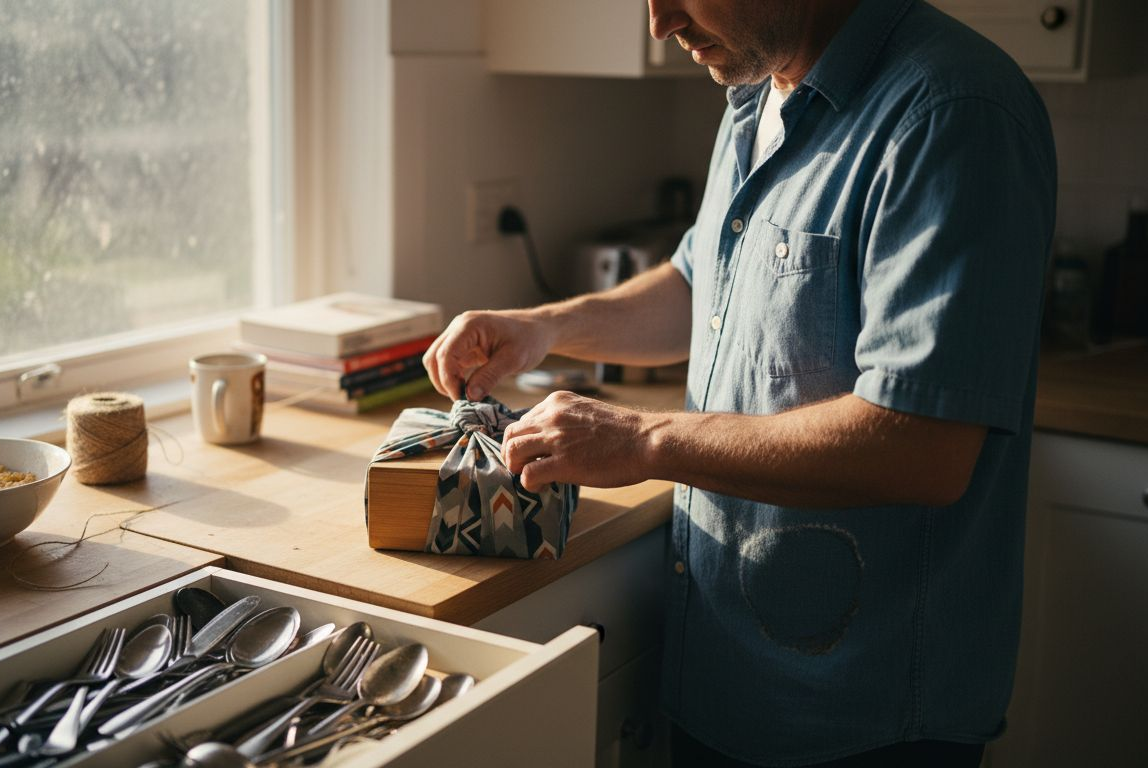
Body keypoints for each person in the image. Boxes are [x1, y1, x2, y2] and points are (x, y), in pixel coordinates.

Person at [423, 0, 1055, 765]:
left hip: (862, 716)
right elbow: (703, 290)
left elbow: (920, 446)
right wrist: (546, 327)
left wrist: (642, 438)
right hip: (723, 677)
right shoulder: (756, 92)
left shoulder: (951, 112)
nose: (659, 22)